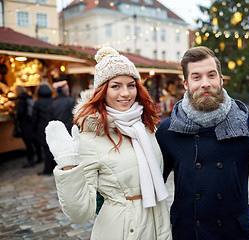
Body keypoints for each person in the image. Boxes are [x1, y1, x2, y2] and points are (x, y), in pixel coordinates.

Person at [155, 46, 249, 240]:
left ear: (220, 80)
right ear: (186, 83)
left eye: (211, 75)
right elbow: (153, 184)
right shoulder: (169, 129)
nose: (205, 83)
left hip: (232, 233)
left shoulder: (245, 124)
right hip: (186, 233)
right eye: (196, 77)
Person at [45, 47, 171, 239]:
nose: (126, 93)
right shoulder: (91, 135)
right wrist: (68, 166)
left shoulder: (146, 126)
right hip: (122, 230)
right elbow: (80, 214)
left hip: (158, 224)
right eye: (115, 86)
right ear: (102, 91)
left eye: (131, 85)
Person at [14, 85, 42, 168]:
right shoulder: (30, 97)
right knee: (35, 142)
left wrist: (14, 113)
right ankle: (40, 157)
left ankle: (31, 161)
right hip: (32, 123)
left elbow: (20, 113)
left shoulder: (21, 100)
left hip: (25, 124)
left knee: (28, 144)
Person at [32, 83, 55, 175]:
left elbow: (34, 117)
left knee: (45, 149)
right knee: (53, 148)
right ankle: (54, 167)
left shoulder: (37, 103)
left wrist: (34, 128)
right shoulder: (53, 101)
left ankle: (48, 169)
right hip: (52, 127)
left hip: (42, 128)